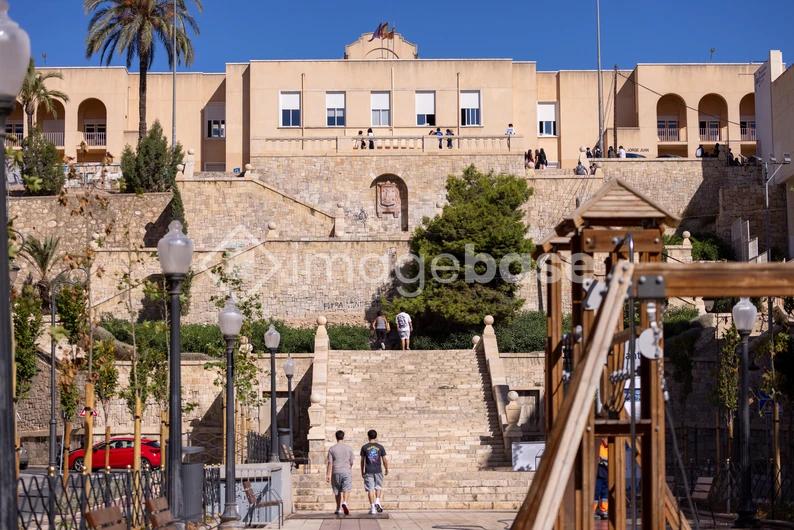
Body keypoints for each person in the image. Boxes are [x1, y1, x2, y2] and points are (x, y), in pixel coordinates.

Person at [326, 430, 355, 515]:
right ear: (343, 437)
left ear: (336, 437)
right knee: (347, 489)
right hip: (346, 471)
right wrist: (349, 467)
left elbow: (330, 463)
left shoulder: (332, 449)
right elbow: (352, 461)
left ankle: (338, 508)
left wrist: (328, 474)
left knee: (337, 490)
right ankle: (345, 502)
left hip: (336, 471)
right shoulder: (348, 448)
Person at [361, 429, 389, 515]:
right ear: (376, 437)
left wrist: (362, 471)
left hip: (369, 471)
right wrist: (386, 468)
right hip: (378, 470)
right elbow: (384, 459)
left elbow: (362, 460)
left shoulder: (364, 447)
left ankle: (372, 508)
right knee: (378, 487)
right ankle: (377, 500)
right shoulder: (380, 447)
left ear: (368, 437)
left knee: (370, 489)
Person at [594, 437, 608, 520]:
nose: (608, 440)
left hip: (607, 474)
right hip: (599, 474)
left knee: (605, 494)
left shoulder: (610, 448)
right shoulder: (599, 447)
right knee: (596, 493)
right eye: (606, 438)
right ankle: (593, 510)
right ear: (602, 439)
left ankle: (604, 511)